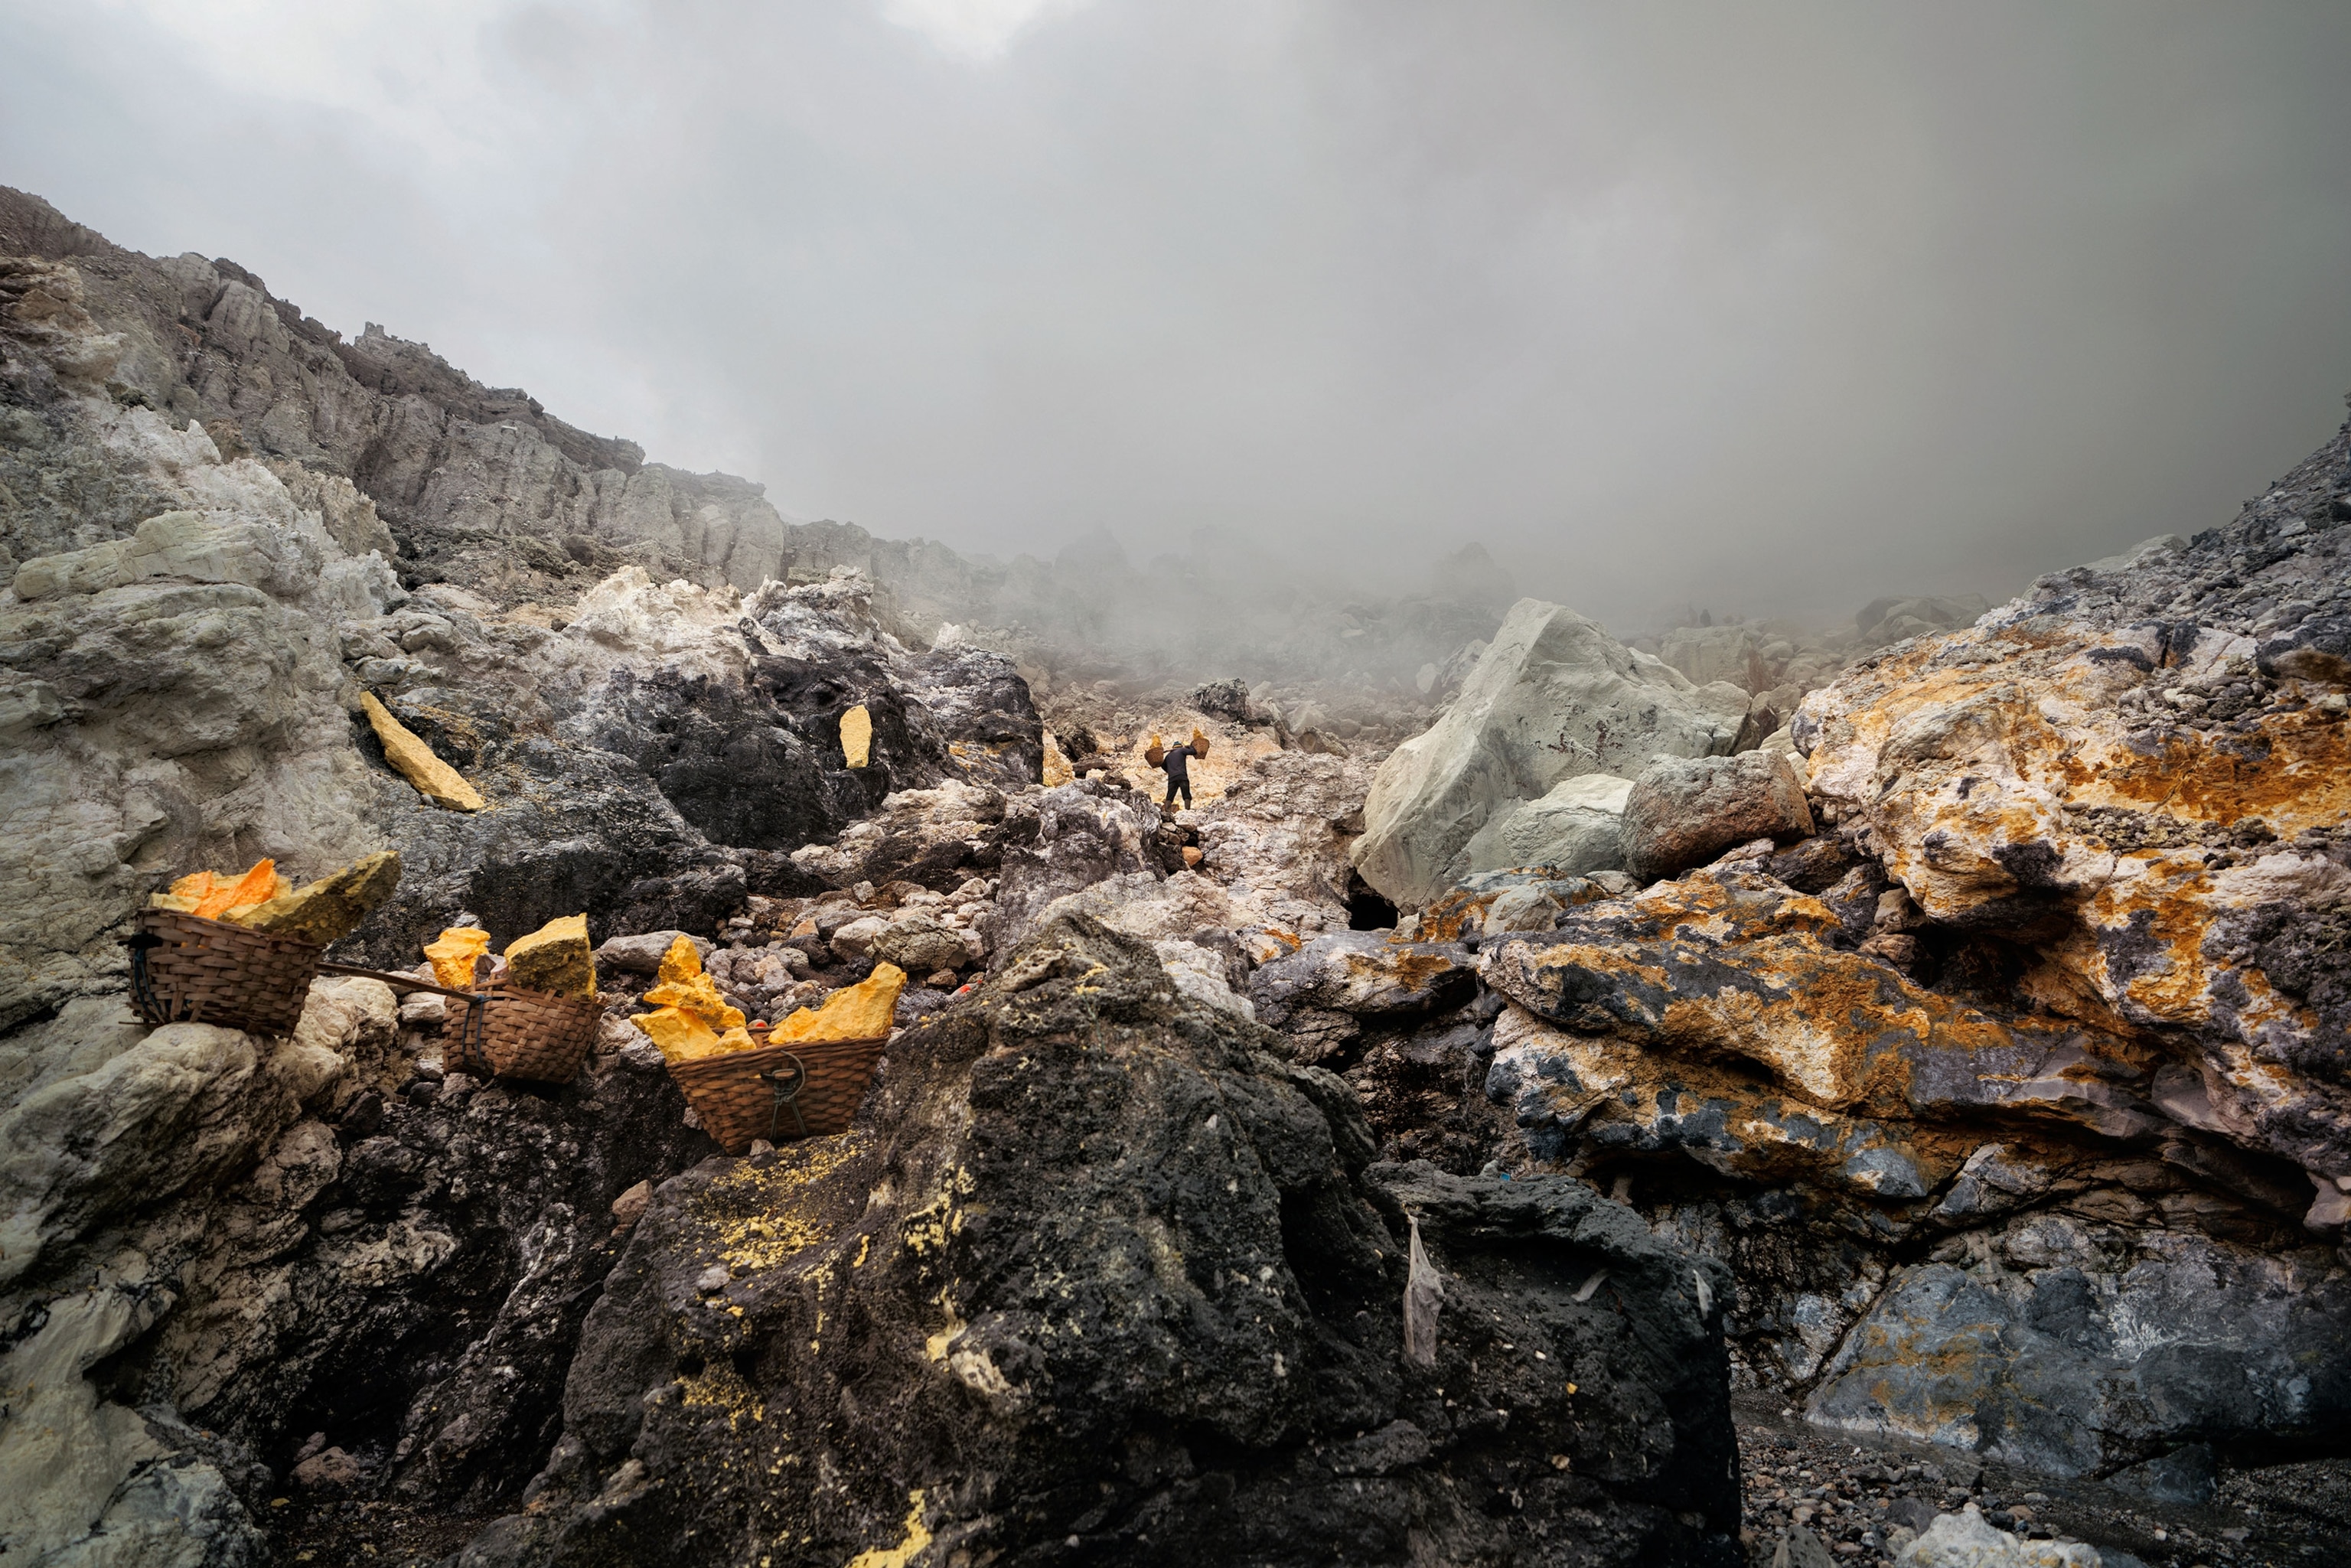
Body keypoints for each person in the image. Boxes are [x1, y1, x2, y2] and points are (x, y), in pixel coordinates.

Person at [1150, 729, 1206, 810]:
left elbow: (1163, 765)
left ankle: (1167, 812)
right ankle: (1187, 811)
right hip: (1181, 776)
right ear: (1180, 747)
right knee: (1186, 794)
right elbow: (1194, 751)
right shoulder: (1182, 750)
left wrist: (1171, 771)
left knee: (1170, 796)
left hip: (1172, 778)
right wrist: (1189, 747)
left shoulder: (1168, 756)